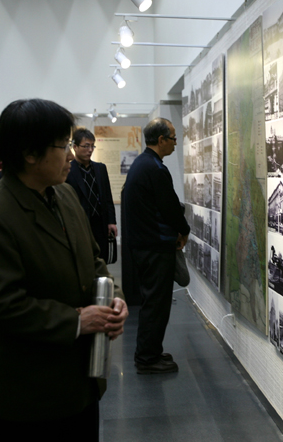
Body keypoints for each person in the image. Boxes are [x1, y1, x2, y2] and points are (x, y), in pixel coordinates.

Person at [0, 98, 128, 441]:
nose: (70, 155)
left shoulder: (64, 195)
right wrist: (77, 321)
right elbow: (0, 304)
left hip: (80, 382)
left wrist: (114, 297)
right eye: (63, 145)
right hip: (29, 394)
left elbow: (93, 260)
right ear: (29, 153)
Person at [123, 117, 190, 374]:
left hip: (145, 245)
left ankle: (150, 351)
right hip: (155, 246)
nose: (175, 143)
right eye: (173, 138)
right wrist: (184, 230)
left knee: (153, 302)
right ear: (161, 140)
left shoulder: (143, 164)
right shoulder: (155, 168)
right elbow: (169, 207)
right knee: (156, 304)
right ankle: (147, 359)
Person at [65, 127, 117, 263]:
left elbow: (108, 197)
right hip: (80, 223)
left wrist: (111, 221)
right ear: (75, 147)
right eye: (86, 146)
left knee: (102, 258)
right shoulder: (69, 170)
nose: (90, 150)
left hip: (100, 222)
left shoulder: (100, 168)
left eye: (92, 146)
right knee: (83, 260)